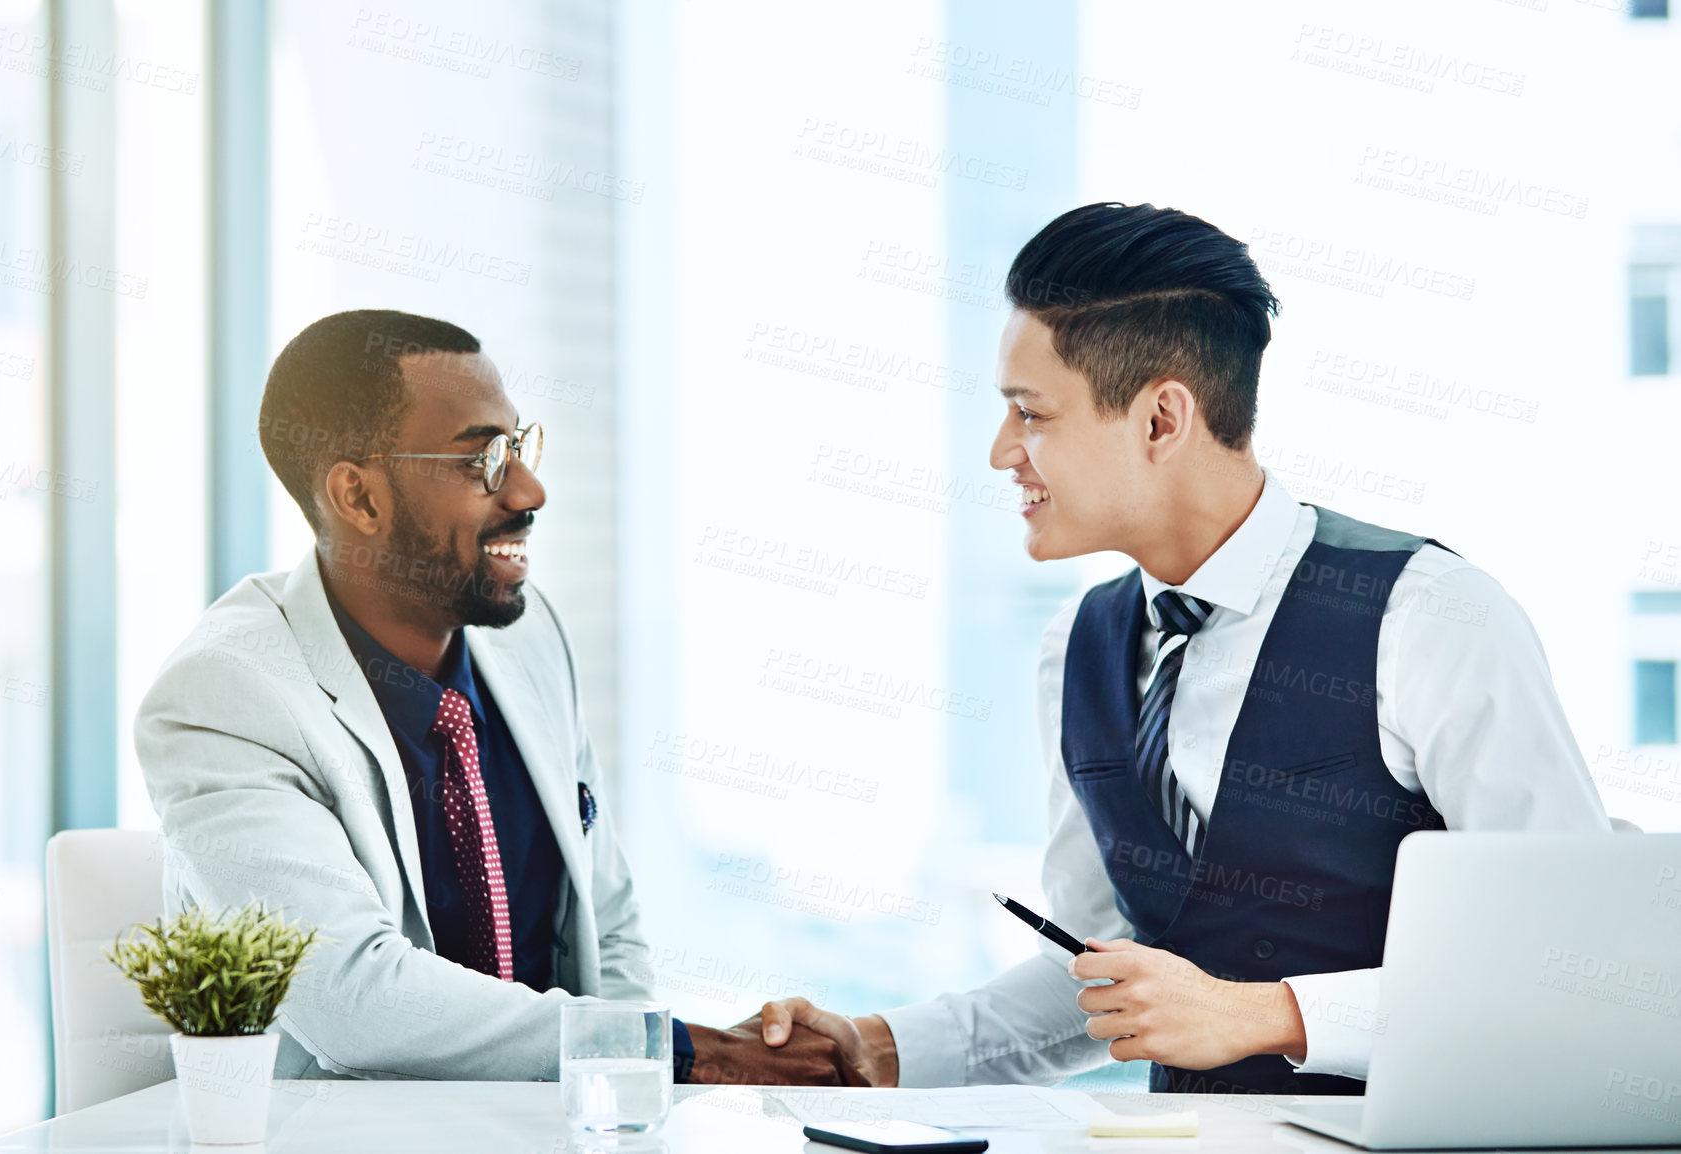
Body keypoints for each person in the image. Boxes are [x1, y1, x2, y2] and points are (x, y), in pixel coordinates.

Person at [757, 202, 1610, 1095]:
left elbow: (1565, 962)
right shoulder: (1077, 646)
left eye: (1031, 414)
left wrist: (1268, 1015)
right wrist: (878, 1048)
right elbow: (1100, 974)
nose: (1001, 450)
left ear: (1162, 420)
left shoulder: (1428, 616)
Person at [137, 309, 861, 1085]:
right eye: (482, 458)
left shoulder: (529, 636)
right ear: (360, 498)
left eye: (518, 445)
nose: (528, 488)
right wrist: (688, 1052)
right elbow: (356, 1001)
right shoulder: (225, 695)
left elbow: (607, 929)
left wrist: (641, 1100)